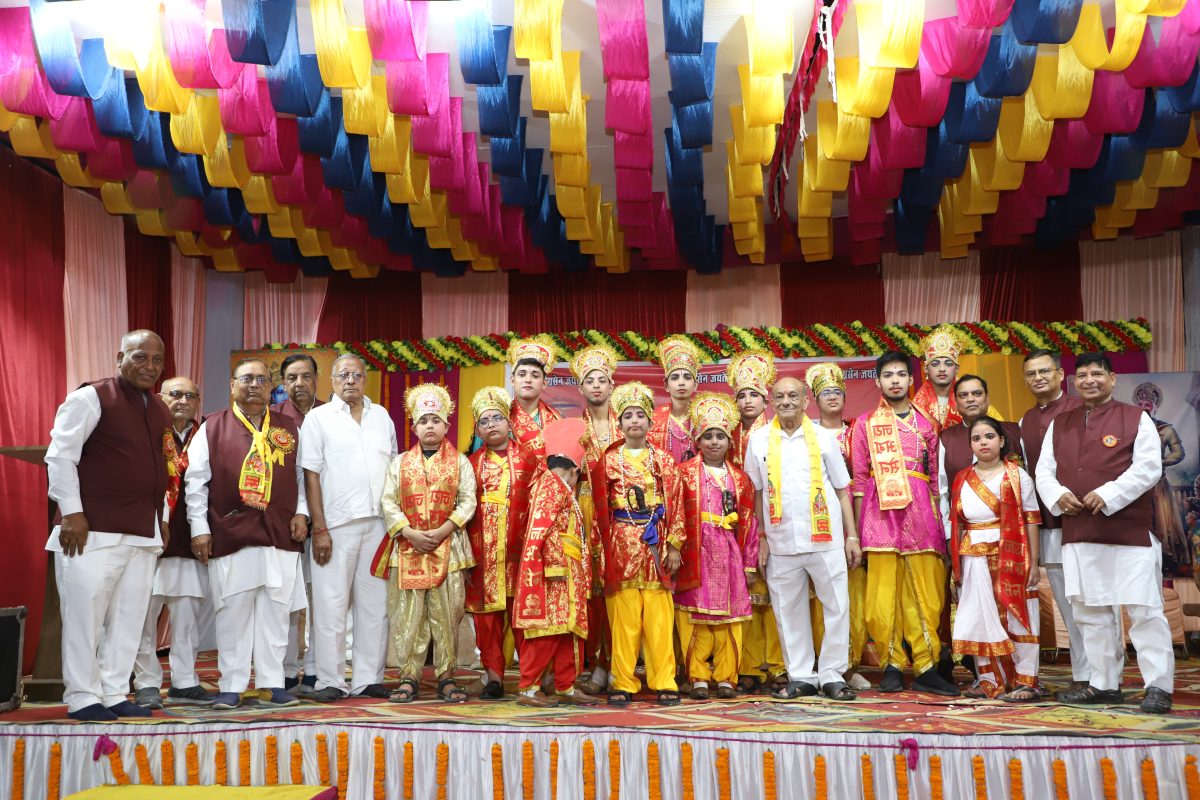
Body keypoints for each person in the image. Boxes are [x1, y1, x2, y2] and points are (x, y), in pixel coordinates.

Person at [1036, 353, 1174, 714]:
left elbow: (1149, 468)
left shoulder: (1136, 418)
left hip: (1130, 530)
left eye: (1097, 373)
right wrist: (1057, 495)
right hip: (1080, 530)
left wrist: (1109, 494)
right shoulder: (1061, 424)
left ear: (1113, 378)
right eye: (1082, 375)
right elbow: (1044, 472)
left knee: (1144, 610)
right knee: (1090, 612)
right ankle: (1104, 683)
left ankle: (1158, 686)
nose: (1089, 380)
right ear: (1074, 381)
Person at [46, 330, 173, 721]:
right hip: (92, 531)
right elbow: (60, 456)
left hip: (143, 532)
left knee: (129, 619)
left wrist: (163, 519)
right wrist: (72, 512)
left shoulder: (160, 409)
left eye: (156, 359)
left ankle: (115, 691)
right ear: (120, 357)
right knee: (85, 618)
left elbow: (165, 470)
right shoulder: (91, 397)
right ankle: (83, 696)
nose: (149, 366)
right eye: (139, 356)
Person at [185, 358, 309, 710]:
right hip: (231, 531)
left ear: (271, 387)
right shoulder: (212, 426)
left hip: (280, 532)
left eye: (261, 380)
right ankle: (232, 685)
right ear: (232, 385)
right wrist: (199, 529)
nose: (254, 385)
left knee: (276, 613)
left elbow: (302, 475)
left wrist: (303, 512)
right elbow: (196, 482)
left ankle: (272, 683)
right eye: (246, 379)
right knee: (233, 613)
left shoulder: (289, 427)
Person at [745, 378, 861, 701]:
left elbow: (842, 488)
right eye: (779, 396)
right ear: (772, 402)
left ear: (806, 401)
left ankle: (833, 675)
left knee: (837, 605)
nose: (786, 401)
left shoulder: (824, 437)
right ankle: (801, 676)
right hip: (780, 540)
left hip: (825, 538)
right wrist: (761, 536)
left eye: (793, 396)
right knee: (787, 609)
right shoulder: (758, 440)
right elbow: (757, 492)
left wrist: (851, 536)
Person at [851, 351, 957, 696]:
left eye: (900, 374)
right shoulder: (865, 424)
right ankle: (892, 664)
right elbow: (859, 481)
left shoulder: (927, 424)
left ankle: (926, 666)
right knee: (882, 596)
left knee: (926, 593)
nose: (895, 380)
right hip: (879, 516)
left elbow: (934, 480)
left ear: (911, 380)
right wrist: (858, 532)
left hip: (921, 514)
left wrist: (939, 523)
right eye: (888, 375)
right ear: (877, 381)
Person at [300, 354, 397, 703]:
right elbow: (310, 474)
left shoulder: (381, 416)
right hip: (336, 526)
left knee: (375, 606)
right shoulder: (318, 418)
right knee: (331, 604)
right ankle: (330, 679)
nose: (351, 380)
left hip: (379, 526)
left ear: (366, 378)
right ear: (332, 380)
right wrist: (319, 528)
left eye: (356, 374)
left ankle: (368, 679)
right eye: (343, 375)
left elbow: (394, 469)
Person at [376, 383, 477, 704]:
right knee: (408, 616)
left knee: (447, 615)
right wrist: (409, 533)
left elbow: (468, 500)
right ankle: (409, 676)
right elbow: (388, 501)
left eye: (436, 420)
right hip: (408, 548)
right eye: (423, 420)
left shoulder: (460, 462)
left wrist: (444, 529)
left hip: (450, 548)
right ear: (414, 427)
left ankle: (447, 676)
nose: (429, 426)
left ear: (447, 425)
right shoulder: (399, 463)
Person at [591, 381, 685, 706]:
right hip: (621, 543)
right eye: (628, 416)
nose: (634, 421)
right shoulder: (608, 461)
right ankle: (623, 681)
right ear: (619, 422)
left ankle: (664, 681)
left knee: (659, 619)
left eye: (640, 415)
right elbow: (599, 511)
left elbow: (677, 503)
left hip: (656, 544)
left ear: (649, 421)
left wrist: (675, 545)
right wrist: (599, 550)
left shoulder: (665, 461)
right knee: (624, 619)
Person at [1018, 349, 1100, 698]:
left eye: (1044, 371)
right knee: (1068, 604)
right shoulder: (1024, 420)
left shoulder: (1081, 409)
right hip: (1049, 522)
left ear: (1059, 374)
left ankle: (1103, 674)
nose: (1038, 378)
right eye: (1031, 373)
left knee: (1092, 601)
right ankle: (1084, 673)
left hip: (1085, 519)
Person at [133, 376, 213, 709]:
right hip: (148, 534)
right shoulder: (145, 430)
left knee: (187, 614)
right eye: (175, 394)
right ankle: (146, 682)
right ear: (160, 397)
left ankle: (184, 681)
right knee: (142, 614)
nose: (183, 401)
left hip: (188, 537)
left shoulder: (206, 435)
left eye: (191, 396)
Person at [949, 417, 1043, 701]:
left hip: (1012, 553)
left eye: (989, 436)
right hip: (973, 557)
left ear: (1001, 441)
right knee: (980, 615)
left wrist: (1033, 561)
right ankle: (989, 680)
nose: (983, 443)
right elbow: (957, 524)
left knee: (1019, 616)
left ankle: (1025, 681)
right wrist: (956, 567)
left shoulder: (1017, 475)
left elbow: (1031, 519)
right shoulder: (962, 478)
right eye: (976, 438)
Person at [673, 393, 758, 700]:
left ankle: (726, 677)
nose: (713, 442)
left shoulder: (741, 478)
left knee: (729, 619)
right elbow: (675, 513)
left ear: (729, 441)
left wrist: (749, 563)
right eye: (707, 436)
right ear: (698, 440)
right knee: (695, 617)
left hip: (728, 552)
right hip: (695, 551)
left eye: (720, 436)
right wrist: (674, 548)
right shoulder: (683, 473)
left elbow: (749, 522)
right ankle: (697, 676)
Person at [512, 418, 602, 708]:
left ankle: (566, 685)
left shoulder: (561, 487)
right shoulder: (550, 484)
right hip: (554, 571)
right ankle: (529, 688)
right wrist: (552, 565)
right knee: (547, 631)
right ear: (575, 469)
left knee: (568, 630)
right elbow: (541, 529)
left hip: (569, 570)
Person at [465, 386, 537, 699]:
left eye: (497, 418)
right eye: (484, 421)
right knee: (487, 619)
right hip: (483, 552)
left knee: (524, 616)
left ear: (509, 423)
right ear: (477, 429)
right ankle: (493, 676)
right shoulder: (470, 464)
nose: (491, 424)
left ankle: (530, 678)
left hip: (521, 551)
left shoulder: (530, 460)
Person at [806, 362, 869, 692]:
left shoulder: (858, 431)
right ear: (815, 399)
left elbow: (862, 481)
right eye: (825, 392)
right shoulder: (806, 434)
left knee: (850, 596)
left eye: (836, 392)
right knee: (819, 598)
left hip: (852, 516)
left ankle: (849, 664)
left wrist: (855, 531)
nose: (832, 397)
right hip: (816, 521)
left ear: (845, 397)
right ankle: (821, 663)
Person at [726, 351, 786, 694]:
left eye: (754, 394)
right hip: (736, 521)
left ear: (766, 400)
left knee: (775, 593)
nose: (748, 401)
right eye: (742, 395)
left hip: (770, 516)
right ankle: (747, 665)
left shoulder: (777, 432)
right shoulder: (725, 434)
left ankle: (778, 664)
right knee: (745, 594)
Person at [272, 353, 324, 696]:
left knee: (321, 599)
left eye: (306, 376)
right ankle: (287, 669)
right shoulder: (273, 419)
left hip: (325, 523)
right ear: (283, 383)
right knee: (287, 600)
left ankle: (318, 668)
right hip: (285, 524)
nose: (299, 384)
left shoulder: (331, 415)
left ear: (317, 379)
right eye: (292, 378)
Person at [570, 345, 621, 695]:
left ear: (612, 385)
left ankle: (616, 662)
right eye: (590, 381)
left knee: (617, 588)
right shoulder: (575, 429)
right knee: (590, 590)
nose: (597, 386)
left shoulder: (627, 423)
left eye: (602, 380)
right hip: (586, 509)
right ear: (581, 388)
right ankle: (592, 662)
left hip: (619, 512)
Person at [1134, 381, 1190, 573]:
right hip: (1134, 484)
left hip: (1158, 483)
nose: (1144, 407)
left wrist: (1160, 462)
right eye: (1140, 404)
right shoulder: (1129, 427)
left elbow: (1179, 453)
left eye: (1148, 404)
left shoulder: (1166, 429)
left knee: (1162, 521)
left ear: (1155, 406)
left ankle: (1167, 559)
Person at [649, 336, 702, 463]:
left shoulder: (703, 416)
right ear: (666, 385)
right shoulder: (655, 419)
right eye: (675, 378)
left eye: (687, 377)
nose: (681, 382)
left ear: (695, 385)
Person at [507, 337, 562, 455]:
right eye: (522, 374)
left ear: (544, 383)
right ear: (512, 380)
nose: (528, 380)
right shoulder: (502, 416)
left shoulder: (556, 419)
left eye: (535, 375)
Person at [911, 326, 964, 430]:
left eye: (948, 364)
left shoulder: (969, 398)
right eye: (935, 364)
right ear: (926, 368)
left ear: (957, 368)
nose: (942, 369)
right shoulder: (917, 406)